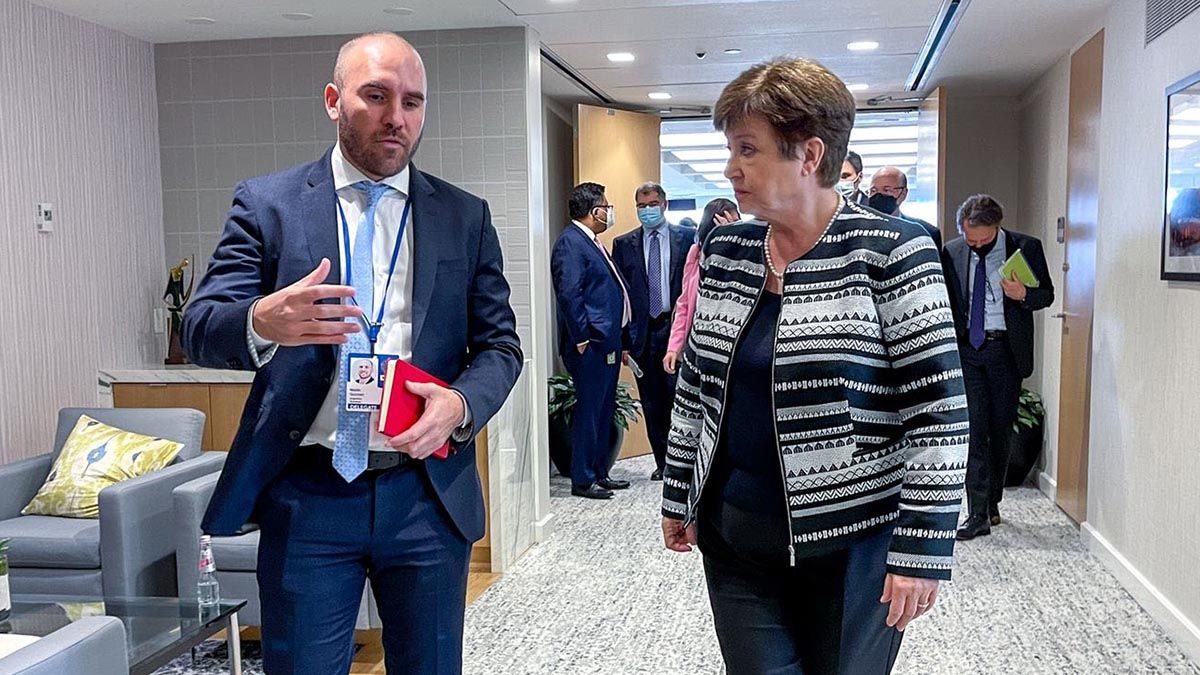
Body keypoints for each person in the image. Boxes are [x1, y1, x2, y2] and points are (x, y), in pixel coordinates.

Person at [181, 33, 523, 674]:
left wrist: (459, 404)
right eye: (377, 95)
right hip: (308, 495)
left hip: (425, 491)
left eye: (414, 101)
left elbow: (502, 346)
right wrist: (261, 320)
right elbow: (200, 325)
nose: (398, 116)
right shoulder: (269, 205)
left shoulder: (464, 216)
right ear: (334, 101)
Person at [661, 57, 968, 675]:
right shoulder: (729, 248)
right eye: (730, 149)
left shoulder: (892, 249)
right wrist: (677, 493)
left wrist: (923, 546)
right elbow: (697, 381)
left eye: (748, 149)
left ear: (809, 153)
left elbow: (936, 407)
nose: (731, 168)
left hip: (853, 543)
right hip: (737, 536)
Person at [941, 194, 1053, 540]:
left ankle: (992, 502)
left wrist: (1022, 294)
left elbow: (1045, 295)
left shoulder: (1025, 247)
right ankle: (975, 512)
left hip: (1006, 350)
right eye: (970, 238)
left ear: (997, 227)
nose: (975, 245)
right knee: (973, 429)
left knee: (1000, 430)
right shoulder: (953, 251)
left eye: (983, 239)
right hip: (969, 350)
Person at [551, 182, 635, 499]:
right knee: (589, 410)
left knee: (602, 408)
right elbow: (570, 294)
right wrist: (582, 337)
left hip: (607, 342)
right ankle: (583, 479)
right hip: (590, 345)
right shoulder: (570, 243)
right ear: (593, 210)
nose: (609, 210)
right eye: (606, 205)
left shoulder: (592, 242)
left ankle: (600, 472)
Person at [612, 182, 692, 481]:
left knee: (678, 398)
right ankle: (662, 462)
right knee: (651, 401)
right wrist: (623, 342)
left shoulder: (686, 238)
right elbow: (620, 296)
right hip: (642, 334)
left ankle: (682, 461)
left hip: (676, 330)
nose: (647, 210)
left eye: (652, 204)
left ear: (665, 204)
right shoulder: (624, 244)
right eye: (641, 206)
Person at [663, 197, 740, 376]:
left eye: (734, 224)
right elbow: (684, 305)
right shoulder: (696, 254)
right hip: (697, 343)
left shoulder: (744, 258)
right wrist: (674, 347)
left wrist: (733, 241)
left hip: (730, 346)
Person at [869, 166, 942, 248]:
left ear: (903, 193)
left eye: (887, 190)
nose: (878, 195)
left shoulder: (927, 232)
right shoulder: (855, 229)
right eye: (873, 191)